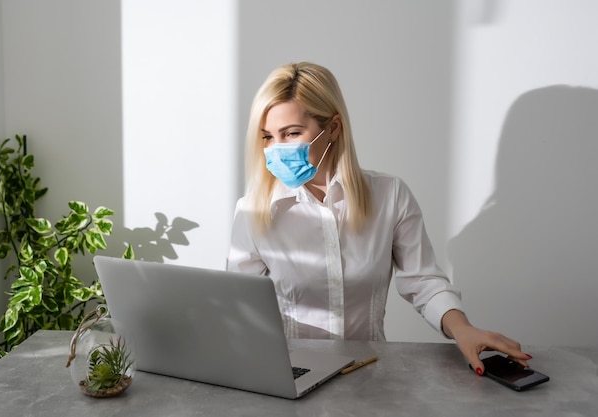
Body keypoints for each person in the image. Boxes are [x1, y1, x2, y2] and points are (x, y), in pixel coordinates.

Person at [226, 61, 532, 376]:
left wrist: (463, 329)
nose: (276, 150)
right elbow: (238, 309)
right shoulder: (253, 211)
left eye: (291, 134)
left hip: (368, 376)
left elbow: (423, 281)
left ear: (333, 127)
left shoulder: (390, 195)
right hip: (290, 375)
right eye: (267, 137)